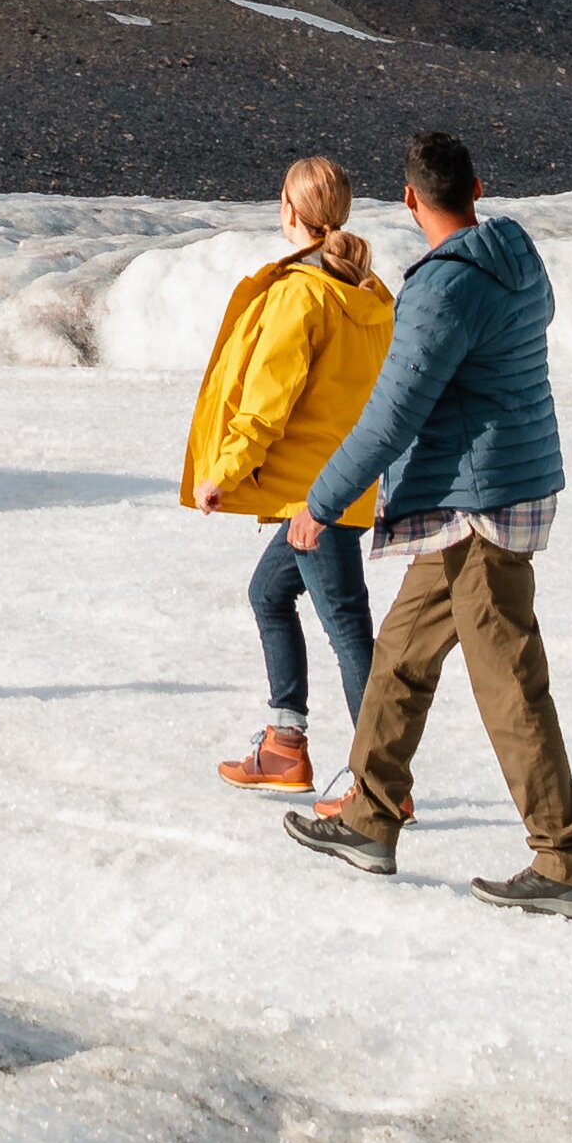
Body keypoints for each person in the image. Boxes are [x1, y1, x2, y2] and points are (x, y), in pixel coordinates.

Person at [279, 129, 572, 920]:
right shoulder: (514, 258)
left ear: (410, 199)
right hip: (495, 488)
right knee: (399, 656)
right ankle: (368, 819)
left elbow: (391, 417)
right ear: (478, 188)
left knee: (509, 684)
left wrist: (321, 504)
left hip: (477, 502)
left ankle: (561, 860)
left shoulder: (443, 288)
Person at [179, 154, 394, 795]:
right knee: (269, 596)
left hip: (314, 499)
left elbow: (266, 401)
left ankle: (379, 781)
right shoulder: (369, 295)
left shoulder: (303, 295)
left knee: (348, 627)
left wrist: (224, 471)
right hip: (348, 484)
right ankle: (285, 745)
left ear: (290, 213)